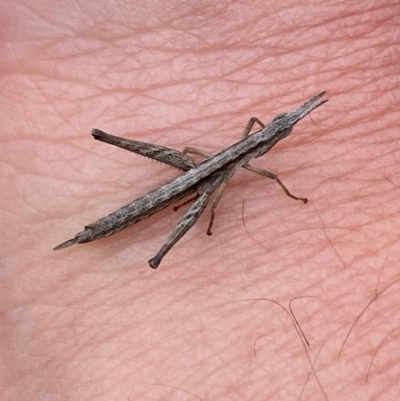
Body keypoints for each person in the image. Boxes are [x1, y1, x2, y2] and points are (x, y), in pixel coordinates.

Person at [2, 1, 398, 400]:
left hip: (208, 170)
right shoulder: (259, 158)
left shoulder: (254, 136)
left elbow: (249, 134)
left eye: (283, 130)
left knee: (201, 188)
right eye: (281, 128)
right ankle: (99, 232)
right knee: (204, 205)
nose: (282, 128)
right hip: (201, 176)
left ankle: (95, 237)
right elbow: (246, 170)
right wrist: (225, 198)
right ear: (268, 137)